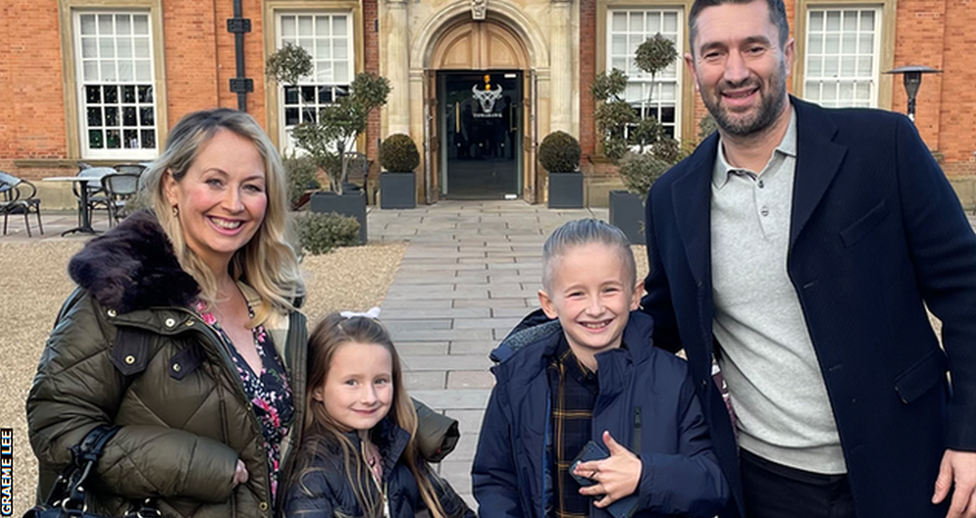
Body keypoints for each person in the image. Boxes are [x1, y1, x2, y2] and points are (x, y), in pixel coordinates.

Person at [640, 0, 976, 518]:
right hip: (766, 484)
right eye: (715, 53)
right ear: (692, 67)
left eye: (754, 47)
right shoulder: (671, 198)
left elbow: (968, 292)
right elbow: (664, 319)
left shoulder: (883, 148)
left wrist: (970, 436)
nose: (736, 71)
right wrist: (553, 331)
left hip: (909, 465)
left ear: (787, 52)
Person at [28, 108, 307, 518]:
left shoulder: (268, 299)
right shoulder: (121, 295)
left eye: (251, 187)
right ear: (171, 187)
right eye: (214, 182)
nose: (234, 204)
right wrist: (197, 465)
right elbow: (56, 425)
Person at [473, 219, 728, 518]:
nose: (595, 308)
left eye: (609, 290)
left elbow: (715, 484)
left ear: (635, 295)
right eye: (576, 294)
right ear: (549, 303)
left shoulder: (676, 380)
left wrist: (645, 475)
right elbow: (495, 479)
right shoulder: (518, 379)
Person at [281, 313, 474, 518]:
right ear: (318, 388)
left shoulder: (396, 443)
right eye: (351, 382)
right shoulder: (312, 475)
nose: (369, 398)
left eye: (380, 381)